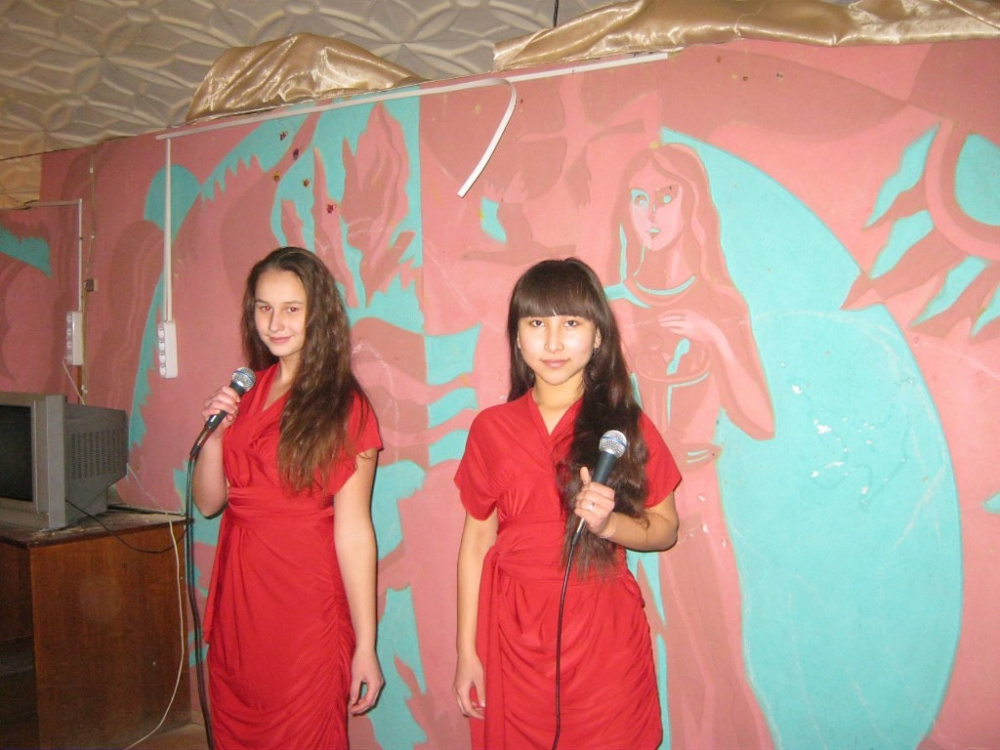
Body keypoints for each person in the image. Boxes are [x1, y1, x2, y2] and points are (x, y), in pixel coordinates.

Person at [453, 257, 682, 749]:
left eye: (571, 324)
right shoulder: (490, 429)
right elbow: (475, 543)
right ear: (517, 337)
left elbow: (666, 528)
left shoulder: (626, 427)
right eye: (536, 324)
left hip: (602, 637)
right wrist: (466, 650)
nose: (553, 343)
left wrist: (610, 525)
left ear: (598, 336)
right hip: (511, 635)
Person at [614, 143, 774, 748]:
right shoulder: (614, 305)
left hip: (697, 499)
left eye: (666, 195)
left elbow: (759, 419)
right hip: (626, 501)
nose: (652, 213)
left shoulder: (718, 302)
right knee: (656, 655)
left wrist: (716, 338)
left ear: (693, 204)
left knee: (718, 659)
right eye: (639, 198)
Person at [192, 246, 384, 749]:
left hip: (306, 604)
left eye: (292, 309)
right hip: (241, 598)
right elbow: (209, 503)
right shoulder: (246, 391)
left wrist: (366, 645)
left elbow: (354, 531)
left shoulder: (346, 406)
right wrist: (214, 439)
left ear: (318, 315)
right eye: (264, 308)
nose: (275, 323)